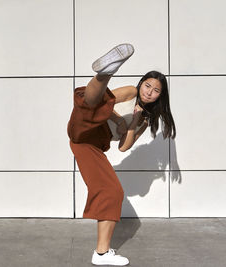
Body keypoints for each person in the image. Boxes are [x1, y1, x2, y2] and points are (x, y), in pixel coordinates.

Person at [67, 43, 176, 266]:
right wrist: (119, 120)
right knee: (91, 106)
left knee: (112, 191)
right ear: (141, 84)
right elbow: (108, 101)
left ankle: (101, 253)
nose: (149, 92)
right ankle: (105, 73)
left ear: (160, 97)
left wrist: (133, 123)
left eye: (156, 91)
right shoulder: (131, 92)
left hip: (94, 145)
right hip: (87, 129)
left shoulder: (145, 120)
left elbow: (124, 147)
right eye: (148, 86)